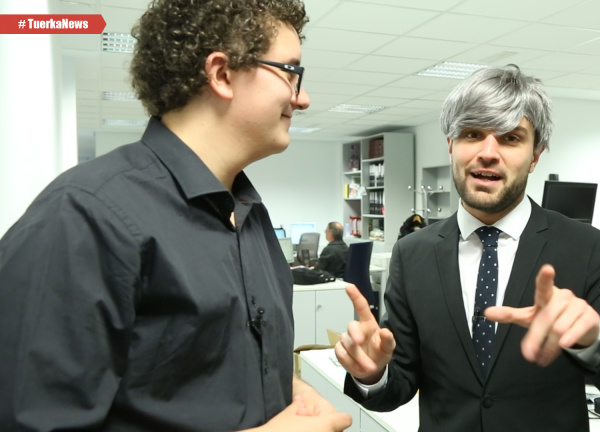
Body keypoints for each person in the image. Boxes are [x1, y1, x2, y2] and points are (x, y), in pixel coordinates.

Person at [0, 1, 352, 431]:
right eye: (290, 72)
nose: (303, 98)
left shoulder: (249, 215)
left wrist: (291, 391)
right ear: (222, 74)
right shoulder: (84, 215)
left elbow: (201, 381)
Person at [334, 64, 600, 432]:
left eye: (510, 138)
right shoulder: (413, 254)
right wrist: (373, 374)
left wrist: (596, 337)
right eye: (472, 134)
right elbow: (400, 382)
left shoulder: (587, 248)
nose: (488, 153)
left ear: (535, 155)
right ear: (451, 147)